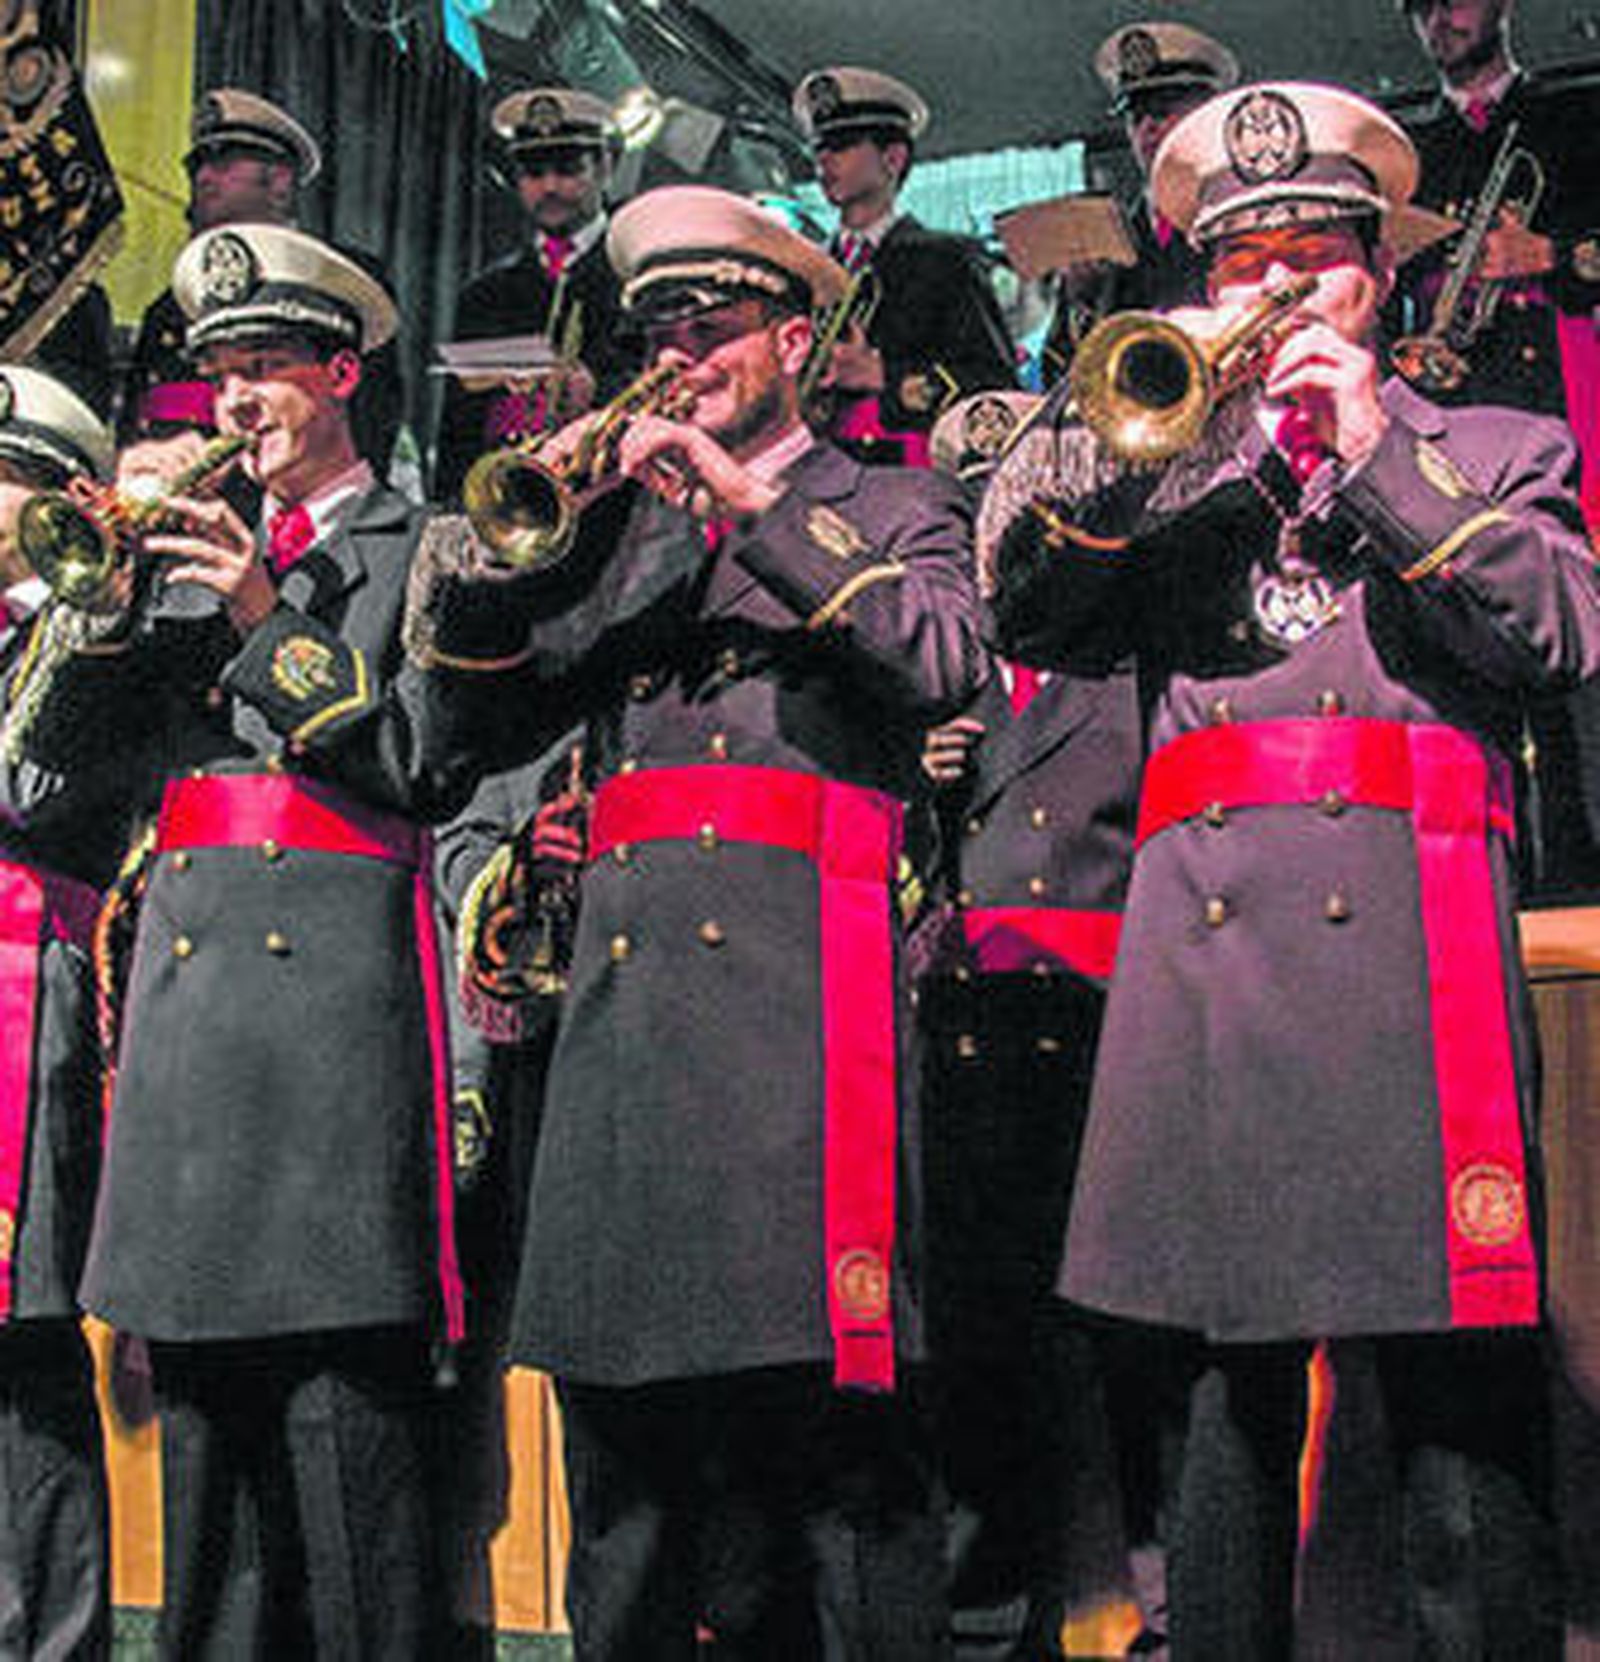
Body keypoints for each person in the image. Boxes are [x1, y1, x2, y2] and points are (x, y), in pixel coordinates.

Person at [980, 79, 1600, 1657]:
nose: (1277, 291)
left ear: (1376, 276)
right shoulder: (1170, 470)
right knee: (1210, 1412)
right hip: (1205, 980)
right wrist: (1130, 470)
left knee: (1460, 1416)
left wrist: (1383, 452)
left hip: (1411, 961)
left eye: (1315, 256)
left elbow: (1557, 633)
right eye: (1244, 266)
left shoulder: (1496, 446)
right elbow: (1027, 621)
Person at [407, 182, 986, 1659]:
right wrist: (504, 560)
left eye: (714, 326)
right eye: (659, 330)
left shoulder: (893, 504)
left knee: (846, 1489)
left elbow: (936, 660)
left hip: (809, 1038)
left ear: (793, 336)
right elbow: (461, 735)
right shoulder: (612, 536)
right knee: (634, 1496)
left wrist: (747, 502)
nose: (681, 356)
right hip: (628, 1050)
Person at [73, 223, 475, 1657]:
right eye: (219, 376)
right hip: (191, 1055)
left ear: (344, 373)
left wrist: (258, 608)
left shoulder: (422, 545)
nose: (234, 403)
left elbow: (424, 755)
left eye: (266, 370)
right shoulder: (166, 568)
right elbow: (54, 772)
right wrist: (102, 603)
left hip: (329, 1051)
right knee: (201, 1492)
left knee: (345, 1464)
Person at [914, 392, 1150, 1660]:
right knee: (981, 1359)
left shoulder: (1128, 652)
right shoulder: (928, 673)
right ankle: (988, 1625)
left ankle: (1154, 1613)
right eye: (969, 497)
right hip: (969, 1043)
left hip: (1116, 1035)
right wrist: (920, 771)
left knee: (1136, 1359)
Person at [1392, 0, 1600, 902]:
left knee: (1576, 673)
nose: (1441, 18)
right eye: (1421, 7)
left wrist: (1550, 254)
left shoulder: (1574, 119)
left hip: (1565, 408)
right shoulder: (1401, 154)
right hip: (1455, 432)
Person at [0, 367, 133, 1661]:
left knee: (23, 1352)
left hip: (25, 997)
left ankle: (53, 1635)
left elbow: (32, 786)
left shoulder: (86, 620)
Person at [120, 88, 405, 470]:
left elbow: (370, 421)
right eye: (197, 166)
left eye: (223, 163)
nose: (204, 177)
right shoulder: (170, 306)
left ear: (280, 183)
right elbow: (137, 422)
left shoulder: (339, 283)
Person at [792, 66, 1017, 465]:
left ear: (893, 158)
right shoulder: (806, 269)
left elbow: (994, 387)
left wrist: (883, 375)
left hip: (907, 475)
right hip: (816, 469)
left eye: (842, 144)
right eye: (818, 148)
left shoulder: (947, 261)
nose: (823, 158)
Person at [432, 86, 639, 503]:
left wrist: (598, 390)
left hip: (610, 513)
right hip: (506, 513)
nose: (549, 187)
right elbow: (460, 429)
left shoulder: (635, 276)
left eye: (567, 169)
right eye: (532, 172)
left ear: (606, 165)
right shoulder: (484, 295)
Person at [1038, 21, 1240, 386]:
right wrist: (1081, 302)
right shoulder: (1111, 235)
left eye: (1164, 109)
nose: (1148, 126)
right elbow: (1060, 378)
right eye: (1135, 114)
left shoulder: (1245, 217)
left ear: (1211, 113)